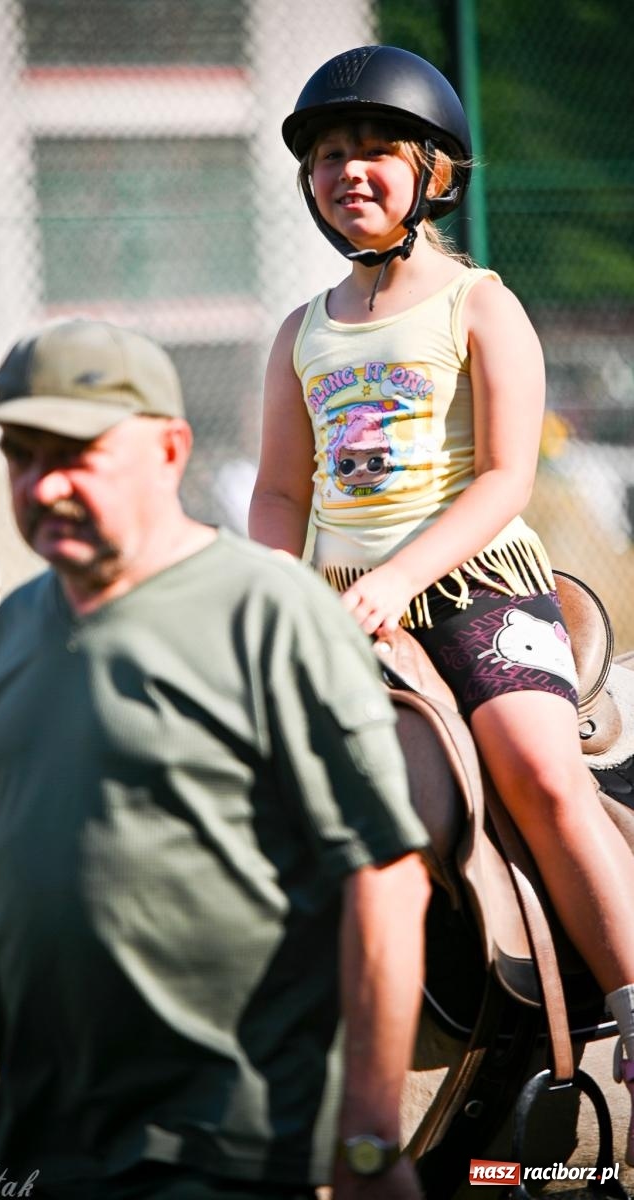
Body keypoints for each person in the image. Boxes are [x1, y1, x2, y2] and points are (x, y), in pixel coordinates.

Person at [248, 42, 634, 1162]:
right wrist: (280, 590)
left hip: (472, 589)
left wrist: (396, 581)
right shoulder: (301, 332)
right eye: (326, 155)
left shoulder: (480, 302)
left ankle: (625, 987)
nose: (348, 170)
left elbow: (505, 477)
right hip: (336, 606)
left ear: (433, 174)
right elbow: (280, 490)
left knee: (536, 766)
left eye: (374, 149)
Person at [0, 317, 430, 1199]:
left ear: (171, 449)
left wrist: (368, 1140)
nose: (41, 483)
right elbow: (23, 901)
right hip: (36, 1154)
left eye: (75, 453)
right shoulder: (12, 629)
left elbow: (384, 874)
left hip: (225, 1149)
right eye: (19, 454)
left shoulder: (270, 611)